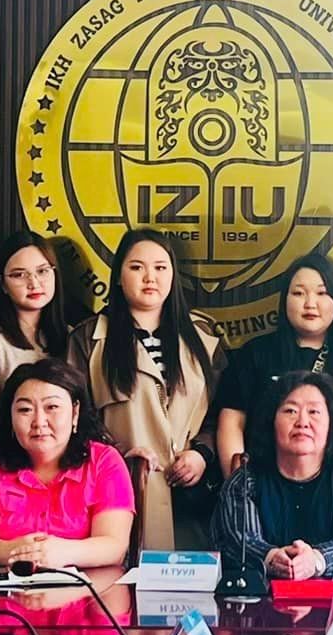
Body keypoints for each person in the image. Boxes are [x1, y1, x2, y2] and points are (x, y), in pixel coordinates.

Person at [69, 229, 225, 549]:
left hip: (191, 499)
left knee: (188, 575)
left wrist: (202, 453)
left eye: (160, 267)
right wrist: (115, 453)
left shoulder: (204, 336)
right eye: (137, 267)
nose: (150, 277)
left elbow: (224, 409)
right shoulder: (88, 338)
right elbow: (75, 415)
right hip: (118, 491)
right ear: (118, 277)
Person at [0, 358, 134, 569]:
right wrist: (16, 551)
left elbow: (114, 545)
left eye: (52, 407)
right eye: (25, 410)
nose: (39, 422)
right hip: (9, 586)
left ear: (75, 412)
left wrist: (64, 553)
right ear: (10, 416)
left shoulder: (105, 461)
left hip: (88, 586)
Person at [214, 254, 333, 472]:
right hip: (264, 480)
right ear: (284, 300)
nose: (310, 304)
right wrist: (239, 484)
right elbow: (232, 422)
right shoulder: (254, 353)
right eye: (298, 293)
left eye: (322, 293)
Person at [215, 371, 333, 580]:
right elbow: (240, 540)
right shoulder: (246, 480)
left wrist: (316, 560)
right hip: (261, 594)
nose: (302, 422)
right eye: (290, 411)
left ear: (332, 424)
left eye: (314, 412)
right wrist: (273, 558)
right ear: (271, 421)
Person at [0, 232, 69, 449]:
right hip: (6, 460)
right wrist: (27, 451)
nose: (34, 283)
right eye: (19, 275)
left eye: (43, 271)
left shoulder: (72, 336)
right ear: (3, 285)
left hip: (64, 460)